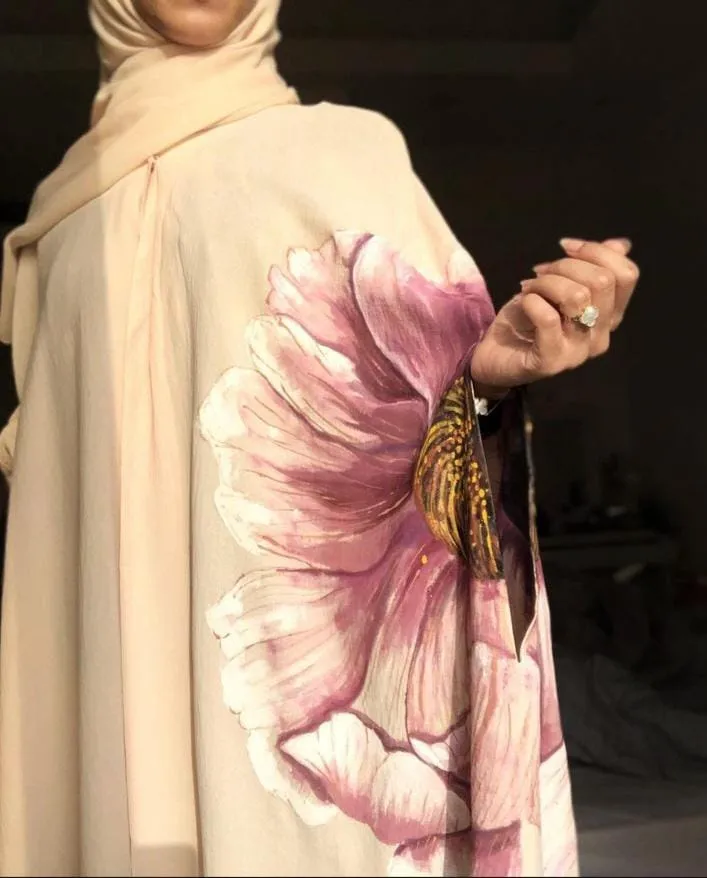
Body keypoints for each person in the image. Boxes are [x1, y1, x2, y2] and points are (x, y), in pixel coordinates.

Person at [0, 1, 639, 875]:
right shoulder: (59, 228)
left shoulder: (346, 153)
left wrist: (483, 383)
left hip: (290, 701)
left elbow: (419, 430)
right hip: (112, 691)